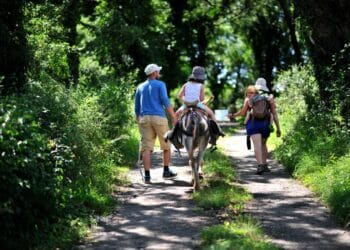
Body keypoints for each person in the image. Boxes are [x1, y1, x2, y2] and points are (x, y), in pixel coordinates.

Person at [134, 63, 177, 183]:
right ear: (154, 73)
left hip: (144, 119)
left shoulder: (140, 87)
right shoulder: (160, 84)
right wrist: (173, 116)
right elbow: (165, 100)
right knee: (166, 145)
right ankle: (166, 171)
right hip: (159, 118)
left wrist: (139, 120)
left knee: (146, 148)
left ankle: (147, 176)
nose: (159, 73)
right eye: (158, 71)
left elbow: (137, 107)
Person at [167, 66, 224, 149]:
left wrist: (185, 100)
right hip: (197, 104)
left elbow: (180, 95)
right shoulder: (201, 86)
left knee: (176, 115)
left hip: (186, 105)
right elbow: (201, 99)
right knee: (211, 114)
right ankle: (216, 133)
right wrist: (207, 100)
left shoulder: (186, 84)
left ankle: (174, 135)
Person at [231, 81, 281, 174]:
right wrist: (278, 128)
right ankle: (265, 165)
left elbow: (242, 112)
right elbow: (274, 114)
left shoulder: (249, 98)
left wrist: (233, 115)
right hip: (265, 124)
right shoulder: (269, 98)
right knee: (263, 144)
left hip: (253, 124)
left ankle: (260, 165)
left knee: (257, 146)